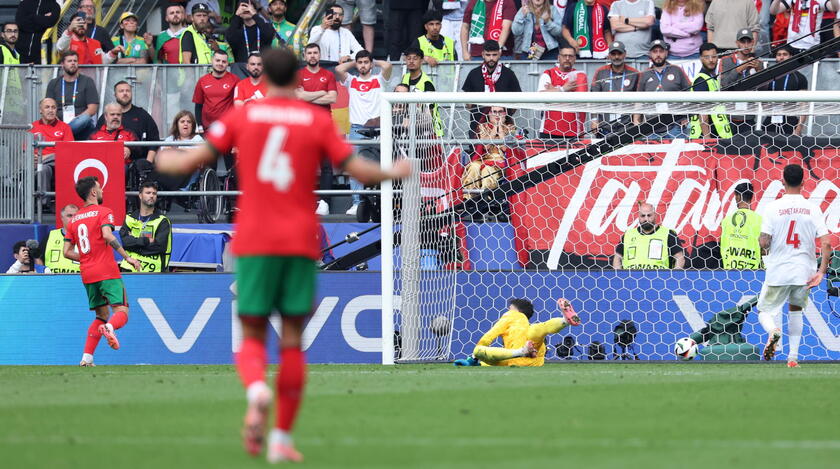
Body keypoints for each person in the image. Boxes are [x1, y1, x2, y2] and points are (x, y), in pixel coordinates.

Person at [154, 47, 411, 463]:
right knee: (293, 341)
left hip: (254, 235)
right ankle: (281, 438)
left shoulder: (243, 115)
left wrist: (168, 158)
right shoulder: (313, 118)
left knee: (252, 332)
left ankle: (256, 389)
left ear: (262, 78)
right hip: (298, 237)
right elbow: (355, 168)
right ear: (297, 79)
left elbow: (195, 159)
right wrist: (392, 172)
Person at [757, 164, 831, 367]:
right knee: (796, 309)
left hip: (779, 269)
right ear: (804, 183)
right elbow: (826, 244)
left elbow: (764, 242)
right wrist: (821, 272)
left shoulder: (772, 208)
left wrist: (766, 248)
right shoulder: (812, 208)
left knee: (764, 311)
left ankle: (773, 331)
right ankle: (793, 358)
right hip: (803, 271)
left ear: (782, 181)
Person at [63, 176, 142, 367]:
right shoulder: (104, 212)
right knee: (121, 311)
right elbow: (107, 235)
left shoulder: (73, 221)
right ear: (93, 192)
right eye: (100, 188)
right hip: (107, 270)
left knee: (100, 315)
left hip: (88, 274)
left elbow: (66, 252)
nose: (102, 191)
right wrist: (127, 257)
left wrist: (88, 258)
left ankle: (86, 358)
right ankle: (110, 328)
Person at [335, 50, 393, 216]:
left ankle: (383, 202)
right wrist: (354, 61)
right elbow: (339, 70)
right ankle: (357, 204)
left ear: (371, 64)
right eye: (360, 63)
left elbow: (388, 65)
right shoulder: (351, 81)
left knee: (381, 166)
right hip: (357, 129)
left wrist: (373, 61)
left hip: (379, 129)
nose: (362, 65)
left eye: (365, 62)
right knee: (355, 168)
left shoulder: (379, 79)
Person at [453, 298, 582, 366]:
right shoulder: (527, 325)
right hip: (533, 362)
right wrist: (478, 363)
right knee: (538, 330)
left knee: (478, 350)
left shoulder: (511, 315)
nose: (507, 311)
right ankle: (564, 320)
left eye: (510, 309)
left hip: (515, 356)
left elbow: (490, 334)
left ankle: (521, 351)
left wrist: (474, 357)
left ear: (516, 311)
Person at [296, 43, 338, 216]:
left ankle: (325, 203)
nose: (312, 56)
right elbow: (298, 96)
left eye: (315, 53)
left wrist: (308, 97)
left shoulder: (328, 74)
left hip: (324, 126)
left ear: (319, 55)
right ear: (305, 56)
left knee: (326, 166)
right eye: (309, 53)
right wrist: (322, 93)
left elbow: (333, 97)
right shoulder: (298, 75)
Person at [461, 40, 522, 136]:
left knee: (505, 150)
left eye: (494, 55)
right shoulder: (474, 74)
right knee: (477, 150)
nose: (491, 58)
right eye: (488, 55)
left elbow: (517, 100)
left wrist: (504, 114)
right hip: (477, 125)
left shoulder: (508, 74)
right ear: (482, 54)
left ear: (499, 54)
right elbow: (468, 103)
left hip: (504, 126)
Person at [635, 39, 691, 139]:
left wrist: (686, 116)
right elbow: (638, 99)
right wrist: (636, 120)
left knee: (680, 153)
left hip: (676, 125)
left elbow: (689, 94)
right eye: (655, 52)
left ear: (666, 53)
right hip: (650, 127)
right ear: (650, 54)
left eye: (661, 51)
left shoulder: (677, 70)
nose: (658, 55)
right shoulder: (644, 74)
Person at [97, 81, 160, 164]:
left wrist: (147, 164)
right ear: (115, 95)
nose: (125, 93)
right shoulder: (105, 117)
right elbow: (96, 141)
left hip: (137, 163)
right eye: (121, 91)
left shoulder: (142, 115)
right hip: (109, 162)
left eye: (128, 91)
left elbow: (154, 141)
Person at [613, 202, 686, 269]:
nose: (646, 219)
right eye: (643, 216)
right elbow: (617, 258)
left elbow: (679, 258)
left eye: (649, 215)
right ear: (638, 217)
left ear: (655, 215)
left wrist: (673, 278)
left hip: (660, 279)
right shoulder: (628, 235)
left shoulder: (668, 234)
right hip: (631, 279)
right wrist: (619, 278)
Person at [119, 181, 172, 273]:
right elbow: (125, 243)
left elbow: (159, 247)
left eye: (154, 193)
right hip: (130, 267)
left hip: (154, 270)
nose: (151, 196)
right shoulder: (130, 218)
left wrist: (134, 243)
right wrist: (147, 241)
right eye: (148, 193)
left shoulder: (162, 221)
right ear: (140, 195)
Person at [44, 50, 99, 140]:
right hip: (59, 123)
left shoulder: (87, 81)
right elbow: (48, 105)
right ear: (62, 64)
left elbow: (92, 109)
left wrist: (76, 121)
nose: (73, 63)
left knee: (85, 119)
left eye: (75, 61)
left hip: (81, 124)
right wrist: (59, 123)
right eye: (69, 61)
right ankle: (65, 132)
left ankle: (63, 135)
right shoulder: (54, 83)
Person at [718, 29, 764, 134]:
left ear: (753, 42)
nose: (746, 45)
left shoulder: (758, 62)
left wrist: (759, 71)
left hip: (749, 117)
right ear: (737, 43)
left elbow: (764, 89)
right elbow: (724, 84)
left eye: (749, 41)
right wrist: (741, 68)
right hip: (729, 116)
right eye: (743, 42)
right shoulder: (726, 60)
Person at [537, 46, 588, 140]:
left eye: (570, 56)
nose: (567, 58)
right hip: (548, 129)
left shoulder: (580, 75)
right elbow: (541, 97)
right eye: (564, 55)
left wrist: (553, 90)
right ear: (558, 57)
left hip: (573, 130)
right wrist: (563, 89)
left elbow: (580, 102)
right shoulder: (548, 73)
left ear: (575, 59)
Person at [462, 106, 515, 197]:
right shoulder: (483, 126)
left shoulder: (510, 127)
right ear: (489, 113)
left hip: (501, 160)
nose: (497, 114)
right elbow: (486, 146)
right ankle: (469, 199)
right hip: (484, 158)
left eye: (500, 111)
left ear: (505, 113)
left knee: (487, 171)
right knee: (474, 167)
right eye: (494, 111)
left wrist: (500, 128)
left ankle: (487, 200)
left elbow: (505, 148)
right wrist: (495, 127)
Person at [589, 41, 640, 135]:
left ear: (625, 54)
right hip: (604, 126)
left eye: (619, 53)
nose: (616, 57)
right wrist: (594, 120)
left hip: (627, 126)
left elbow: (639, 99)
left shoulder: (634, 73)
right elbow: (593, 98)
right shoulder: (601, 72)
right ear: (609, 55)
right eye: (613, 54)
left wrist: (636, 120)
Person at [688, 42, 733, 139]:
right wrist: (707, 140)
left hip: (716, 133)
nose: (711, 60)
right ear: (700, 58)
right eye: (706, 57)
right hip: (707, 136)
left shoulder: (712, 78)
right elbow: (702, 111)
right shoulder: (701, 80)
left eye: (714, 56)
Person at [761, 45, 808, 136]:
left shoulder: (799, 77)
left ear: (791, 56)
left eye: (785, 54)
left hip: (790, 121)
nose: (781, 57)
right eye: (779, 54)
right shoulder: (768, 76)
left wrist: (799, 127)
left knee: (789, 150)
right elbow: (763, 99)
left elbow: (804, 106)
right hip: (771, 120)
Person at [30, 98, 74, 191]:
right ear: (40, 110)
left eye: (53, 107)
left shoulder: (65, 127)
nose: (51, 110)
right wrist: (31, 157)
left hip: (59, 162)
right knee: (43, 169)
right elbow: (25, 150)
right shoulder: (32, 127)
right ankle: (44, 204)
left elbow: (69, 151)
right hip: (37, 164)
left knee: (60, 155)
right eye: (47, 107)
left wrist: (43, 158)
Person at [401, 47, 445, 138]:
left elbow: (431, 111)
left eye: (415, 58)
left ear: (421, 61)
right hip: (409, 126)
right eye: (408, 58)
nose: (411, 61)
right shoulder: (405, 77)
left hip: (428, 130)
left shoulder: (427, 83)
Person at [193, 50, 239, 131]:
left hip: (228, 127)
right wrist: (199, 126)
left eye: (224, 61)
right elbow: (198, 105)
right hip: (208, 128)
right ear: (212, 60)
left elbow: (239, 105)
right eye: (217, 60)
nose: (220, 64)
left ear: (227, 63)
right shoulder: (202, 80)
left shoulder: (235, 80)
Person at [720, 182, 762, 270]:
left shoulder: (726, 221)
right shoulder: (759, 220)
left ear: (738, 196)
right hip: (752, 271)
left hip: (729, 270)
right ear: (751, 197)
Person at [770, 0, 838, 53]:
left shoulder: (819, 1)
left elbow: (835, 8)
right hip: (792, 44)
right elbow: (773, 11)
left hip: (812, 45)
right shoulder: (792, 1)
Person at [56, 10, 120, 65]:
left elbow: (102, 61)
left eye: (84, 22)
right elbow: (60, 47)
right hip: (76, 78)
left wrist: (113, 52)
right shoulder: (67, 42)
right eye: (78, 22)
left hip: (94, 78)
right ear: (71, 25)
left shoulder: (96, 43)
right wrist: (69, 30)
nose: (81, 25)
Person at [44, 204, 81, 273]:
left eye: (75, 216)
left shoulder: (86, 237)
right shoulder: (51, 236)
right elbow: (38, 257)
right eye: (69, 216)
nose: (73, 218)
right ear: (62, 218)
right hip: (54, 280)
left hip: (78, 280)